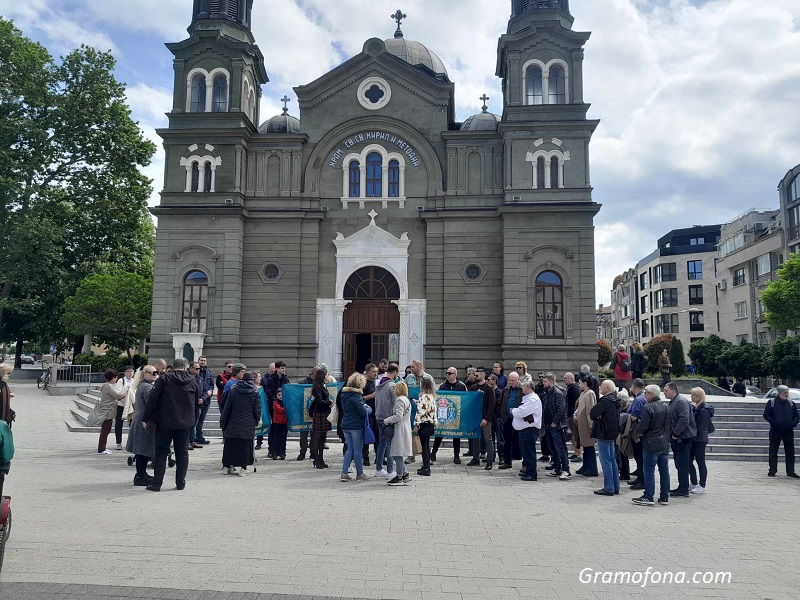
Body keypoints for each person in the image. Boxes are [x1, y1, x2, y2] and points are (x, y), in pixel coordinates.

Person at [142, 358, 199, 491]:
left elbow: (153, 398)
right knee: (182, 452)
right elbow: (196, 400)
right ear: (185, 367)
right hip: (184, 422)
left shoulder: (164, 379)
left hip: (165, 421)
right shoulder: (192, 380)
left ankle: (157, 484)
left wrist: (146, 417)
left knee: (161, 451)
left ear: (172, 367)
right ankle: (180, 483)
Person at [632, 385, 671, 506]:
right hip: (664, 442)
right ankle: (664, 496)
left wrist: (638, 432)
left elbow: (643, 426)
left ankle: (649, 496)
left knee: (649, 470)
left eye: (646, 393)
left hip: (651, 442)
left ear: (651, 394)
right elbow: (669, 425)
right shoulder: (666, 407)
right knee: (664, 470)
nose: (644, 395)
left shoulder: (647, 407)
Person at [220, 371, 261, 476]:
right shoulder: (255, 392)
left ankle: (227, 466)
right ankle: (243, 468)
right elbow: (257, 409)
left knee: (230, 444)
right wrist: (256, 421)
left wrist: (223, 421)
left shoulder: (234, 390)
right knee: (245, 445)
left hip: (233, 422)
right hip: (248, 422)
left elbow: (227, 408)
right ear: (252, 381)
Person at [664, 382, 697, 497]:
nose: (664, 392)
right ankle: (682, 486)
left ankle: (684, 489)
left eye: (666, 390)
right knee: (680, 463)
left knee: (682, 464)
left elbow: (684, 420)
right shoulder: (674, 401)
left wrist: (675, 434)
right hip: (679, 437)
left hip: (683, 438)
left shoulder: (681, 401)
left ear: (673, 390)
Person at [126, 366, 158, 486]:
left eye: (156, 372)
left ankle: (141, 474)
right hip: (144, 421)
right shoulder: (147, 387)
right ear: (145, 374)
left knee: (142, 450)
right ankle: (140, 476)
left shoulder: (143, 385)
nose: (155, 374)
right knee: (143, 450)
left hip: (141, 419)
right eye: (152, 373)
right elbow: (151, 404)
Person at [590, 380, 621, 496]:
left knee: (606, 461)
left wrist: (598, 415)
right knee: (612, 461)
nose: (600, 387)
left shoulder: (605, 400)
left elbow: (593, 413)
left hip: (603, 433)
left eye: (602, 386)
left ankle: (609, 487)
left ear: (607, 388)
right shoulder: (615, 400)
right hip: (612, 433)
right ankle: (615, 486)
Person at [339, 372, 371, 482]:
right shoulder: (356, 396)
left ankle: (344, 473)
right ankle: (360, 474)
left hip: (345, 424)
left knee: (350, 449)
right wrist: (368, 408)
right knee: (358, 450)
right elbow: (363, 412)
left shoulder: (344, 394)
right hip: (356, 426)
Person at [763, 385, 800, 478]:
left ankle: (791, 471)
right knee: (773, 451)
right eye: (784, 393)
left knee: (790, 451)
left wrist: (793, 423)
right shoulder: (771, 402)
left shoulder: (791, 403)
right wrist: (774, 422)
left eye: (787, 392)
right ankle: (772, 470)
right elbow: (766, 414)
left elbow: (796, 415)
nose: (786, 394)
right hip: (776, 430)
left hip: (788, 430)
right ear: (779, 393)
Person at [432, 367, 467, 464]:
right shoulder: (443, 386)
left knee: (456, 436)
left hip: (456, 414)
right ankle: (433, 452)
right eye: (447, 373)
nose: (447, 375)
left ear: (455, 375)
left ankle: (456, 456)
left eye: (450, 373)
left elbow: (466, 399)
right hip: (443, 415)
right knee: (439, 434)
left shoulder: (461, 386)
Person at [541, 373, 570, 480]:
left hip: (556, 425)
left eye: (545, 381)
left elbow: (561, 409)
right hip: (548, 424)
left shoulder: (558, 393)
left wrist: (555, 421)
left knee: (560, 447)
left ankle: (566, 470)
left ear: (551, 381)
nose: (543, 383)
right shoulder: (547, 393)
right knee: (552, 447)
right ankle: (557, 468)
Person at [513, 380, 542, 481]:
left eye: (524, 386)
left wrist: (514, 411)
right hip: (525, 429)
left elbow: (522, 412)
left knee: (529, 452)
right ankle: (528, 470)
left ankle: (532, 473)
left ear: (529, 388)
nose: (522, 388)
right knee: (526, 452)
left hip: (529, 429)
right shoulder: (529, 398)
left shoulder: (533, 399)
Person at [385, 381, 413, 486]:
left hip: (399, 428)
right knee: (398, 452)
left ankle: (400, 476)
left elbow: (398, 416)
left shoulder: (399, 400)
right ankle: (405, 474)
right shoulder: (407, 400)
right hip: (405, 427)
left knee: (397, 453)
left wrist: (387, 420)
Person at [374, 364, 398, 478]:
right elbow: (395, 402)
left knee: (381, 444)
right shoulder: (391, 385)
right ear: (395, 372)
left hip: (379, 416)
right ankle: (390, 471)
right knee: (389, 445)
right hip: (388, 418)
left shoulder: (379, 383)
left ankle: (378, 469)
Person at [469, 368, 496, 470]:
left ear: (482, 375)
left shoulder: (489, 389)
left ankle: (489, 460)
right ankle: (475, 458)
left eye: (476, 375)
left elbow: (491, 405)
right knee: (475, 438)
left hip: (485, 418)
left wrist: (486, 418)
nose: (475, 377)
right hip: (475, 417)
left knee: (488, 439)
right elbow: (469, 401)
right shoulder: (473, 387)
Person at [689, 387, 714, 494]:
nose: (691, 397)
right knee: (689, 461)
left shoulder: (704, 410)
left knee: (700, 462)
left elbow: (699, 426)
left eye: (693, 395)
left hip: (699, 439)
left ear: (699, 397)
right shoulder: (697, 408)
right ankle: (694, 482)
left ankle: (702, 484)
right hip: (695, 438)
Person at [97, 370, 128, 455]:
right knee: (105, 430)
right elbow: (119, 395)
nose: (116, 378)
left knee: (106, 430)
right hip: (107, 411)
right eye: (115, 377)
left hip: (108, 411)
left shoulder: (108, 386)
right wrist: (126, 389)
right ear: (112, 378)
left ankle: (103, 448)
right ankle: (101, 449)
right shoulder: (109, 387)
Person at [498, 372, 523, 469]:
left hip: (519, 419)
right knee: (507, 441)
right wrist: (501, 414)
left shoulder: (522, 390)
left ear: (518, 380)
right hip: (507, 419)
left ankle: (521, 461)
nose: (511, 382)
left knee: (519, 440)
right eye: (510, 380)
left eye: (513, 380)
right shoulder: (505, 390)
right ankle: (507, 461)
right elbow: (500, 403)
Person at [309, 367, 332, 469]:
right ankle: (316, 459)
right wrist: (328, 402)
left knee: (323, 437)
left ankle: (321, 459)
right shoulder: (317, 387)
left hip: (325, 413)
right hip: (319, 413)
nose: (328, 376)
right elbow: (319, 401)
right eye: (327, 374)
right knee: (317, 437)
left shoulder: (323, 385)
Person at [574, 375, 597, 477]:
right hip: (582, 424)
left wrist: (591, 425)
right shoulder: (583, 393)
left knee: (589, 446)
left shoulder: (590, 393)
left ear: (585, 383)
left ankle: (592, 468)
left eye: (580, 382)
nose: (579, 385)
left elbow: (590, 409)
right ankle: (586, 465)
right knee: (585, 446)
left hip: (587, 425)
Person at [626, 379, 647, 491]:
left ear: (634, 387)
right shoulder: (643, 397)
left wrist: (624, 417)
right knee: (639, 457)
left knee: (639, 456)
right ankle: (639, 478)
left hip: (637, 432)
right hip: (640, 431)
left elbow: (634, 416)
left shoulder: (639, 399)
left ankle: (642, 480)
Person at [265, 361, 289, 458]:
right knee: (274, 431)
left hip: (283, 406)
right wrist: (276, 400)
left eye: (284, 368)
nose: (283, 370)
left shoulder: (285, 379)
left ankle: (281, 451)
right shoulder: (270, 380)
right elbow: (269, 393)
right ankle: (272, 450)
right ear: (277, 369)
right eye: (282, 368)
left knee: (283, 432)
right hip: (273, 407)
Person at [414, 378, 437, 476]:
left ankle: (426, 468)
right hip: (430, 423)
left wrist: (416, 423)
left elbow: (421, 411)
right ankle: (426, 466)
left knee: (424, 447)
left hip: (424, 423)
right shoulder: (432, 396)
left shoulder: (423, 396)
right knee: (427, 446)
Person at [113, 366, 135, 450]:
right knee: (119, 424)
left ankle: (131, 443)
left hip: (131, 405)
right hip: (121, 405)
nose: (130, 373)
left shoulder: (134, 381)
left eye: (132, 371)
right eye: (128, 371)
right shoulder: (121, 380)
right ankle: (118, 442)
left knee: (132, 424)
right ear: (125, 372)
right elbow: (118, 392)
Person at [194, 356, 215, 444]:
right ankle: (193, 437)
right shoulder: (196, 373)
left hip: (206, 400)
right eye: (201, 360)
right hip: (198, 400)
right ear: (198, 361)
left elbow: (211, 384)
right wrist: (201, 397)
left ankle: (199, 436)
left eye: (204, 361)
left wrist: (211, 390)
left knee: (201, 419)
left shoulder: (208, 373)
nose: (203, 362)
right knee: (196, 420)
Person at [362, 363, 378, 466]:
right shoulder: (363, 383)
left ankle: (379, 456)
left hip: (377, 413)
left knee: (378, 436)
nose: (375, 373)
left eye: (376, 371)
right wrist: (371, 396)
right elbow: (360, 398)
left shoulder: (376, 383)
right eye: (373, 372)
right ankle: (365, 457)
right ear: (367, 372)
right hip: (368, 414)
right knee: (367, 435)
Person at [563, 372, 581, 462]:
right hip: (569, 415)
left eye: (566, 378)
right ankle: (575, 452)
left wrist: (574, 415)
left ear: (571, 379)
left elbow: (577, 404)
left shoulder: (575, 389)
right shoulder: (569, 388)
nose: (564, 380)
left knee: (575, 436)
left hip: (573, 416)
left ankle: (579, 453)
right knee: (572, 436)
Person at [270, 388, 288, 460]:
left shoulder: (285, 402)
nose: (280, 396)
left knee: (283, 438)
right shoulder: (275, 402)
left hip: (284, 422)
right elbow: (279, 410)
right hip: (277, 422)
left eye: (281, 395)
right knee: (276, 438)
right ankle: (274, 452)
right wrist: (286, 408)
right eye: (279, 395)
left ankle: (282, 452)